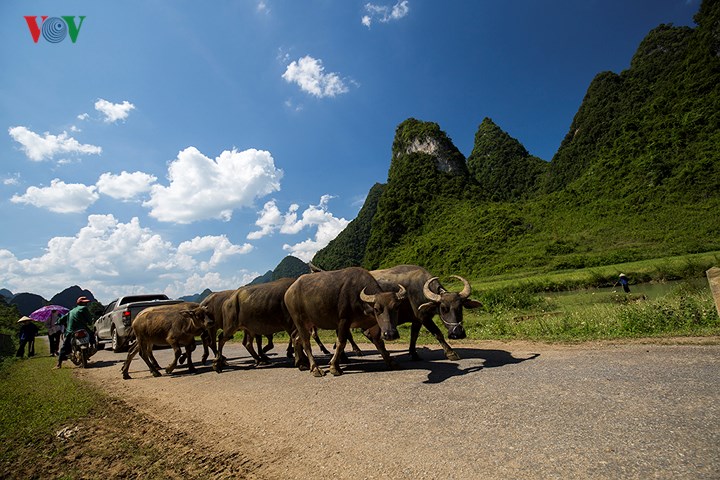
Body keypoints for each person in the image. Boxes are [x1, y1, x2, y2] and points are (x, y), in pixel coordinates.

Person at [54, 296, 95, 369]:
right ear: (81, 303)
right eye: (85, 302)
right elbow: (89, 320)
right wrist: (89, 322)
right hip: (82, 329)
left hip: (71, 331)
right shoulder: (84, 308)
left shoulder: (71, 311)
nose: (86, 304)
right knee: (92, 336)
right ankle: (92, 347)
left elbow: (62, 319)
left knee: (65, 346)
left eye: (86, 302)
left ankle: (59, 364)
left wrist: (57, 322)